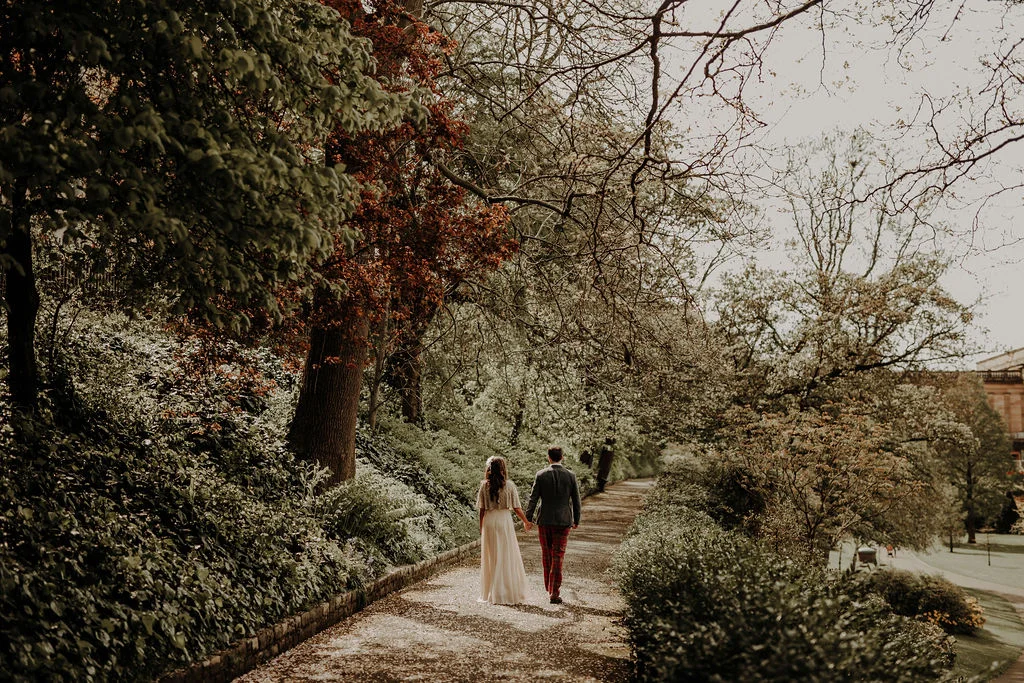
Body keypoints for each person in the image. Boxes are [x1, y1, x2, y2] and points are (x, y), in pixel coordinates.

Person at [526, 446, 582, 604]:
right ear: (562, 457)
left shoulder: (541, 474)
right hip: (564, 521)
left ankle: (549, 587)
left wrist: (528, 518)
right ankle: (554, 591)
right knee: (558, 556)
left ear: (549, 458)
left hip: (544, 520)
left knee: (547, 554)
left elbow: (533, 498)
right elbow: (576, 501)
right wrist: (576, 519)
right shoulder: (571, 476)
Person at [477, 456, 532, 604]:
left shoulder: (484, 486)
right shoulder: (510, 486)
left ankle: (491, 592)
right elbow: (516, 508)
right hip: (504, 521)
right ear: (503, 469)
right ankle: (505, 591)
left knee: (492, 557)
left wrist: (481, 527)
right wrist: (526, 521)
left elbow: (481, 509)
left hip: (489, 521)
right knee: (506, 556)